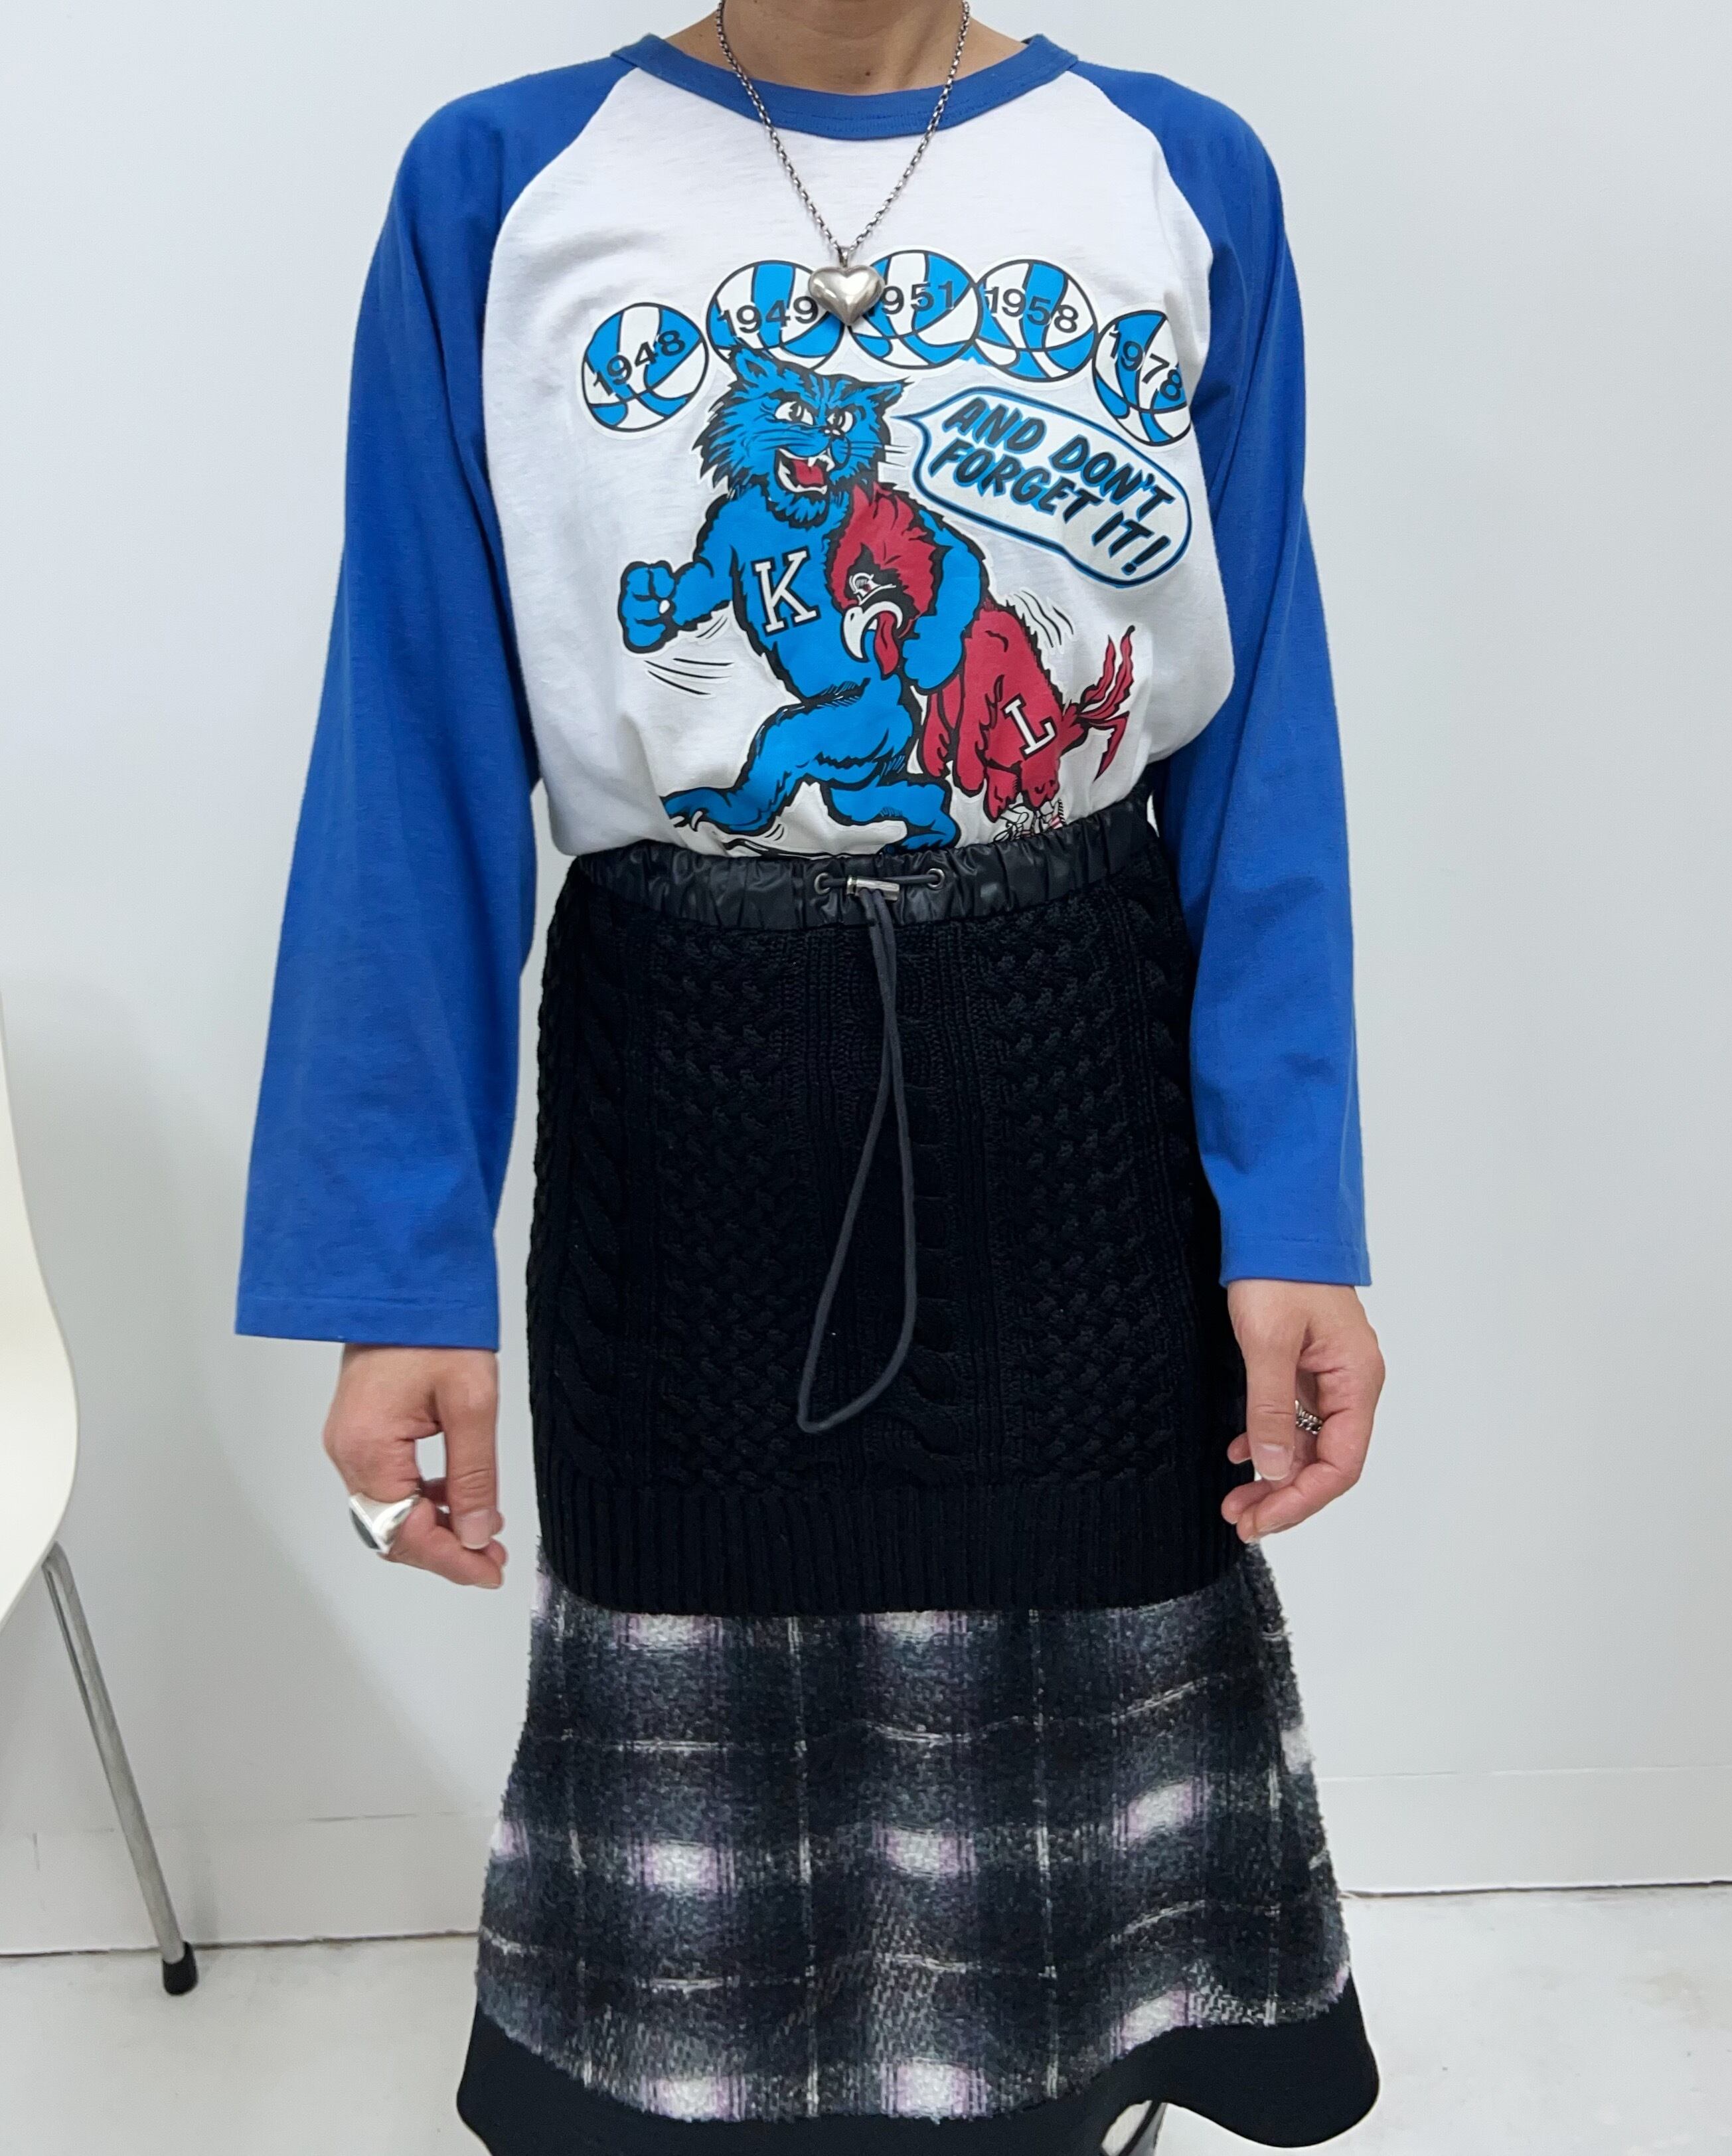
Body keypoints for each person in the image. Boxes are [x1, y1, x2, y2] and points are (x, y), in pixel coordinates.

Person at [238, 3, 1387, 2149]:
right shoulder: (502, 184)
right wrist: (394, 1269)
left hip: (1077, 1091)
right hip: (685, 1097)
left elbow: (1257, 738)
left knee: (1069, 1763)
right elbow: (412, 738)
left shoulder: (1173, 173)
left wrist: (1291, 1204)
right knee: (696, 1720)